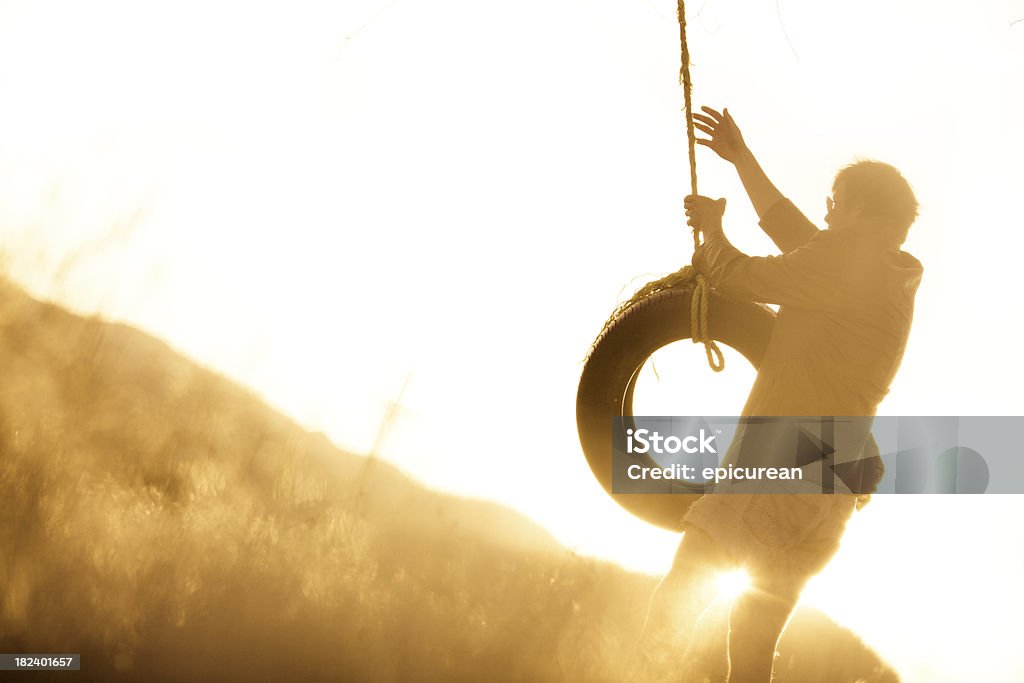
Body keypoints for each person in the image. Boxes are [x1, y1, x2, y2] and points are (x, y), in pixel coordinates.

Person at [636, 107, 924, 682]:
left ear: (863, 212)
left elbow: (739, 276)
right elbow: (796, 231)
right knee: (751, 648)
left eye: (836, 201)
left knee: (675, 608)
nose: (826, 210)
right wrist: (741, 158)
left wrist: (711, 232)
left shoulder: (842, 262)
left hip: (781, 472)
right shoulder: (888, 276)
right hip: (831, 499)